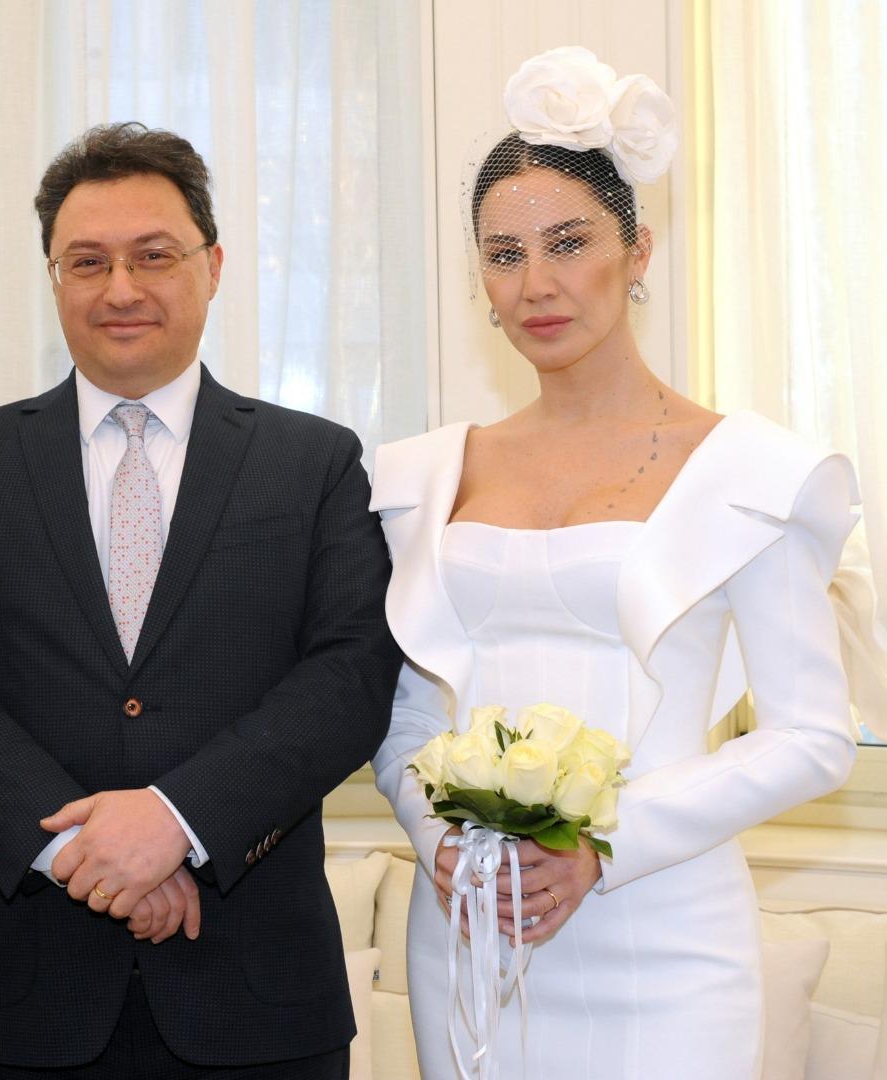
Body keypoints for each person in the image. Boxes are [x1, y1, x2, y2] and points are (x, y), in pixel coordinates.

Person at [0, 122, 400, 1078]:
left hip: (260, 998)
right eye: (87, 262)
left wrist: (177, 823)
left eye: (154, 255)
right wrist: (84, 851)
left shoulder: (314, 462)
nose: (120, 289)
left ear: (214, 266)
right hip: (29, 995)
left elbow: (351, 674)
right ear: (54, 279)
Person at [370, 47, 859, 1078]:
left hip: (664, 937)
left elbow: (813, 736)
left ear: (636, 249)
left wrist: (602, 846)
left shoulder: (746, 470)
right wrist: (438, 840)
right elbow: (404, 718)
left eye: (568, 243)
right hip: (468, 930)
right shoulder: (424, 474)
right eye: (503, 254)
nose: (536, 285)